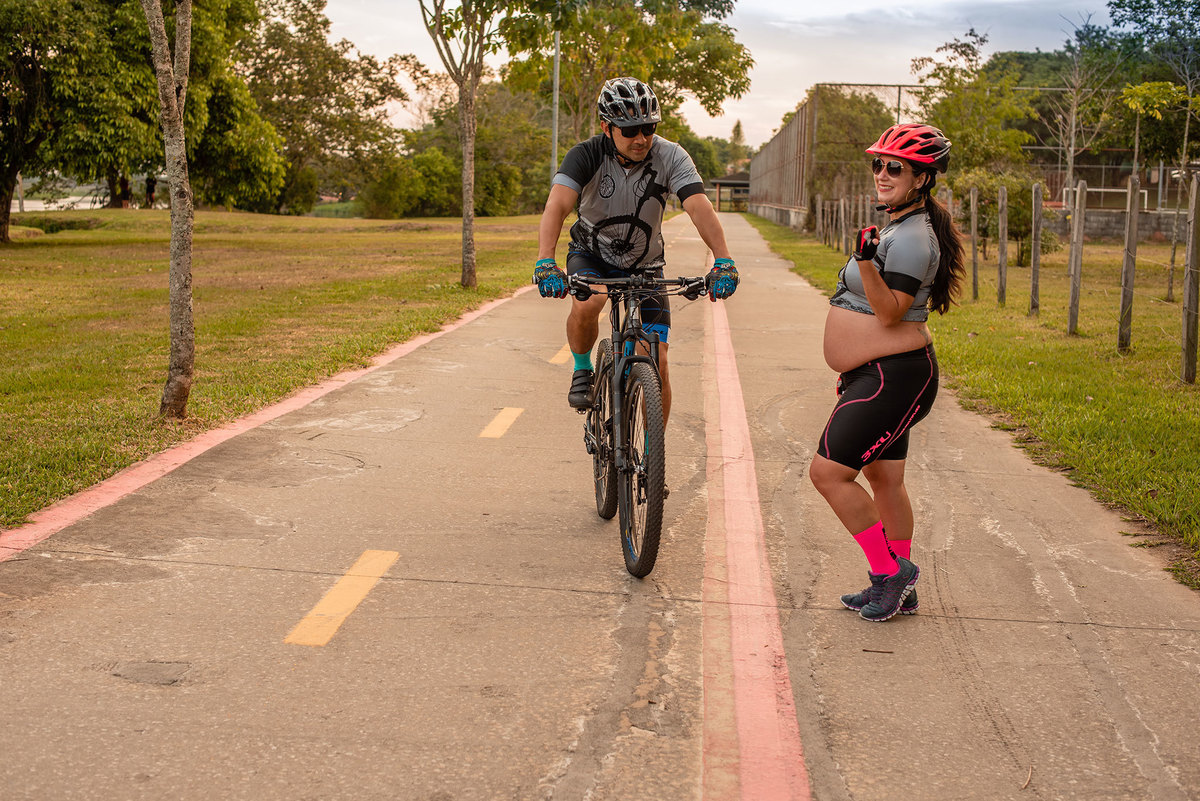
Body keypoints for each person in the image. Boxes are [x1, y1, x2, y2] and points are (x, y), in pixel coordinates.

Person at [808, 123, 965, 622]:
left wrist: (865, 262)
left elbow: (891, 311)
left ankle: (889, 573)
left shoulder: (914, 237)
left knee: (828, 474)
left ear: (922, 178)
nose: (882, 174)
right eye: (878, 164)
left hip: (893, 378)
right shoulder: (901, 227)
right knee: (885, 479)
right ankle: (900, 589)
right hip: (878, 374)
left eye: (895, 167)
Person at [533, 76, 739, 424]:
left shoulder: (671, 156)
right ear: (606, 127)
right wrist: (545, 260)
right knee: (591, 301)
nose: (641, 138)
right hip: (591, 254)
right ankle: (582, 368)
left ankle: (652, 450)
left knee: (658, 361)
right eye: (630, 131)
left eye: (648, 128)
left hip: (646, 265)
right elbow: (557, 206)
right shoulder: (585, 155)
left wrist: (723, 259)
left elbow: (698, 206)